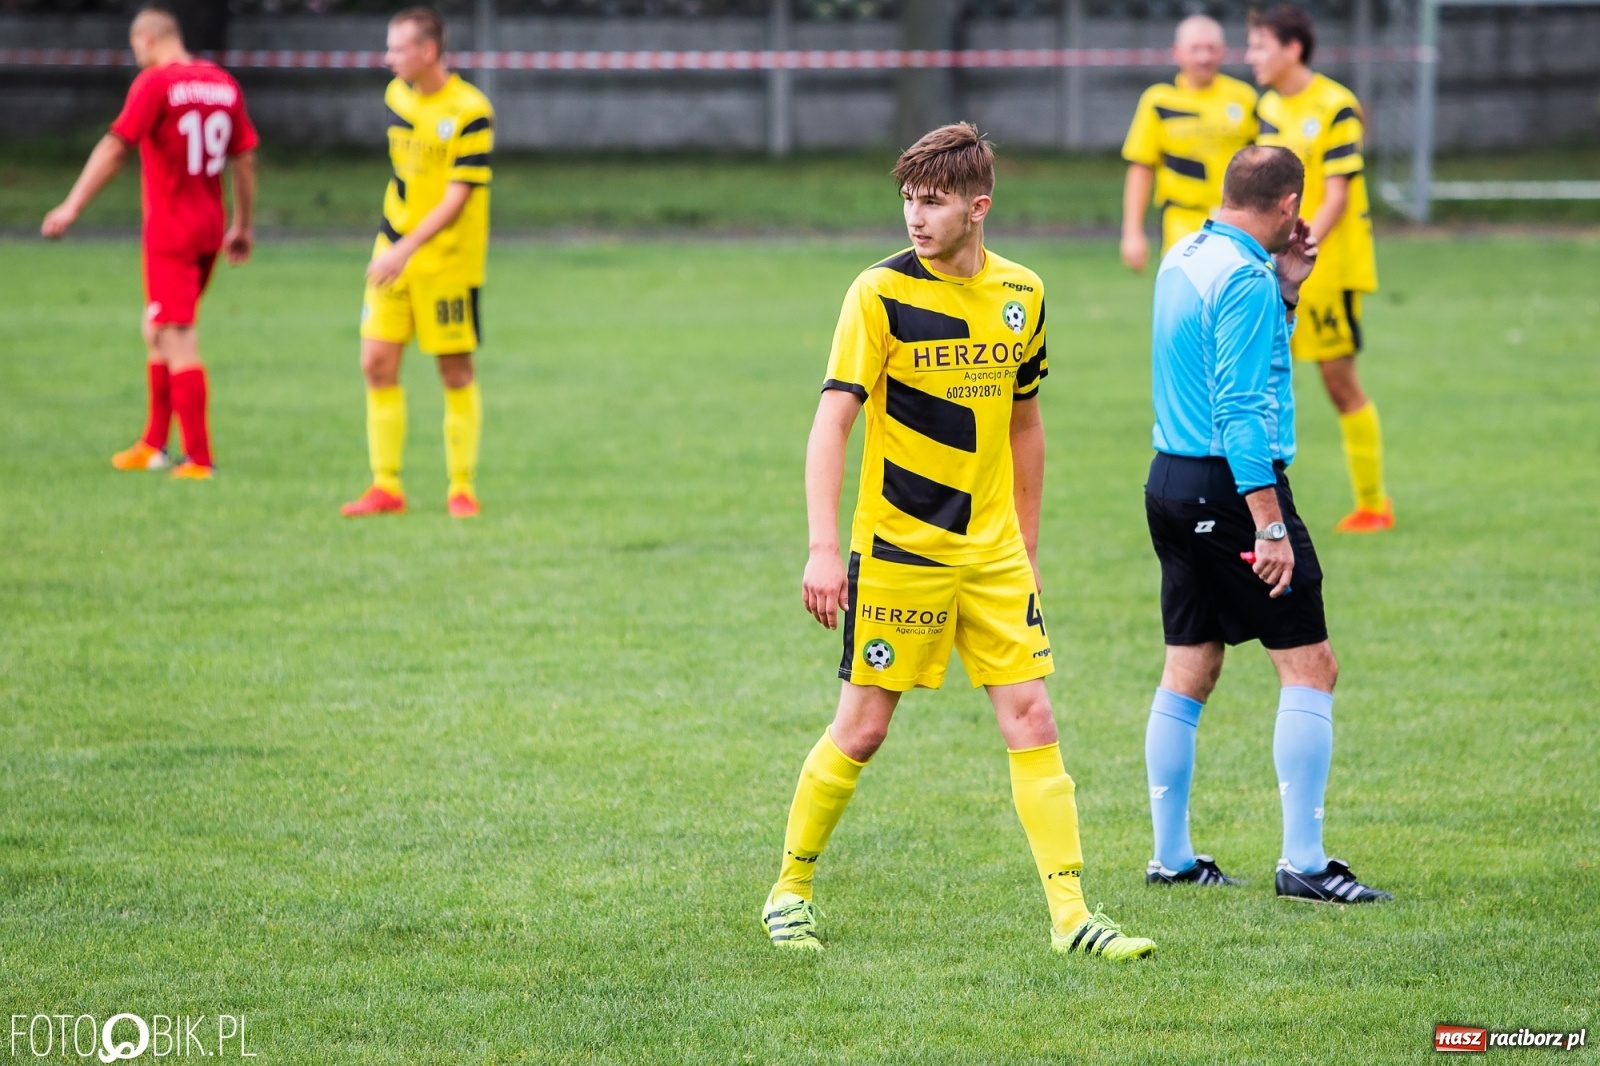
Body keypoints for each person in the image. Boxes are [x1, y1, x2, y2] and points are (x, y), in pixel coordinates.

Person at [761, 123, 1155, 960]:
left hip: (994, 556)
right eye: (907, 198)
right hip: (901, 553)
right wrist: (822, 547)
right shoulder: (877, 294)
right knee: (862, 729)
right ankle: (788, 891)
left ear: (979, 207)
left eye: (932, 201)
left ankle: (1073, 917)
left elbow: (1026, 424)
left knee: (1033, 715)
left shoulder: (1024, 294)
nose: (914, 215)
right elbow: (832, 421)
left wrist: (1030, 548)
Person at [1140, 145, 1392, 904]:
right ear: (1287, 207)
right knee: (1310, 666)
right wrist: (1270, 526)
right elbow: (1242, 408)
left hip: (1170, 481)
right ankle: (1306, 863)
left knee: (1191, 666)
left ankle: (1173, 858)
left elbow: (1224, 357)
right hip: (1231, 489)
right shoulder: (1244, 279)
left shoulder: (1187, 251)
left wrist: (1288, 293)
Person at [42, 5, 257, 480]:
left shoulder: (156, 83)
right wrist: (242, 224)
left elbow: (117, 145)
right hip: (208, 227)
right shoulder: (222, 82)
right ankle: (154, 443)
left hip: (171, 232)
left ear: (146, 39)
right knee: (156, 327)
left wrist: (71, 206)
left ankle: (199, 458)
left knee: (178, 336)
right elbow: (243, 157)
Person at [341, 7, 493, 519]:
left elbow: (457, 199)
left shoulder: (471, 111)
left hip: (446, 264)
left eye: (397, 48)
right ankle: (386, 486)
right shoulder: (396, 96)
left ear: (428, 52)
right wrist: (395, 246)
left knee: (454, 371)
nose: (388, 59)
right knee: (375, 364)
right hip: (392, 254)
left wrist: (408, 248)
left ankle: (461, 487)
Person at [1248, 5, 1392, 533]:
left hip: (1326, 267)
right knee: (1261, 384)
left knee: (1338, 382)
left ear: (1293, 49)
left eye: (1260, 45)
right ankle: (1259, 506)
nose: (1251, 56)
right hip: (1276, 265)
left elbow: (1337, 192)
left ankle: (1373, 503)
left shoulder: (1336, 106)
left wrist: (1296, 248)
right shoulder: (1266, 107)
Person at [1120, 14, 1259, 273]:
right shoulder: (1159, 101)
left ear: (1223, 52)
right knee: (1187, 306)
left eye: (1211, 48)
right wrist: (1132, 232)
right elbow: (1141, 167)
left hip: (1237, 224)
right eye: (1195, 49)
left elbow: (1263, 164)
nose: (1203, 57)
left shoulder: (1244, 98)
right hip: (1181, 223)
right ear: (1177, 52)